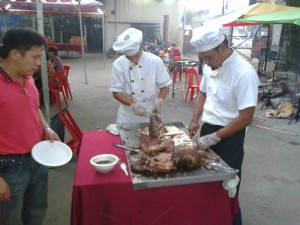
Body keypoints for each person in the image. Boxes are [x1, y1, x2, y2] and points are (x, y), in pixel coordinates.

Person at [187, 24, 259, 225]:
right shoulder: (211, 66)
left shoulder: (244, 73)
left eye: (208, 57)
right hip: (208, 129)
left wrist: (216, 137)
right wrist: (195, 120)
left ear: (223, 48)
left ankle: (233, 220)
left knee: (228, 187)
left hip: (230, 136)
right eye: (203, 59)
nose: (206, 63)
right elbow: (203, 92)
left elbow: (246, 117)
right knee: (204, 182)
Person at [0, 27, 60, 225]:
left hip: (38, 157)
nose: (39, 63)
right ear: (15, 54)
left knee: (36, 210)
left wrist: (46, 128)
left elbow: (34, 108)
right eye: (35, 57)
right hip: (9, 167)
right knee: (11, 217)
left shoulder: (28, 77)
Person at [110, 28, 172, 123]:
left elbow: (164, 86)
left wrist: (158, 103)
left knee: (152, 136)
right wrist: (133, 105)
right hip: (127, 113)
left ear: (141, 46)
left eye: (136, 56)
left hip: (150, 111)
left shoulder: (155, 61)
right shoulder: (118, 64)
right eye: (130, 58)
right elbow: (116, 93)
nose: (134, 60)